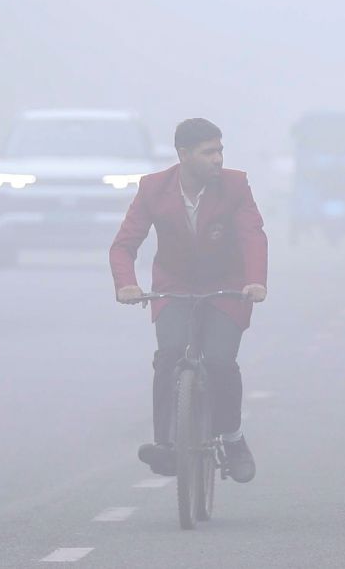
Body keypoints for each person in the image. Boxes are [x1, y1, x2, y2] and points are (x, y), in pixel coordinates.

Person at [110, 118, 268, 483]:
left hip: (227, 287)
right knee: (169, 354)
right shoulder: (153, 189)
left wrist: (255, 281)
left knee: (219, 361)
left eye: (220, 151)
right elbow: (123, 245)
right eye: (208, 152)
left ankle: (233, 440)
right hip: (175, 286)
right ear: (183, 155)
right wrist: (127, 285)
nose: (218, 159)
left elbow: (253, 236)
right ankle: (166, 443)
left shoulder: (235, 185)